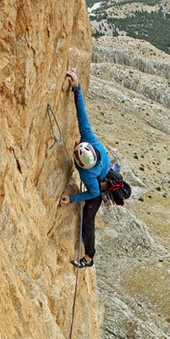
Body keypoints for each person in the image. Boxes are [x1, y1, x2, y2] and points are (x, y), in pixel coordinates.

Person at [60, 69, 111, 268]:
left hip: (99, 187)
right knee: (87, 215)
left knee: (88, 221)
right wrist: (77, 88)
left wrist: (72, 199)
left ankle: (89, 257)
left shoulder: (88, 175)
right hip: (104, 173)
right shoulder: (90, 139)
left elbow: (94, 192)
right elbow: (82, 116)